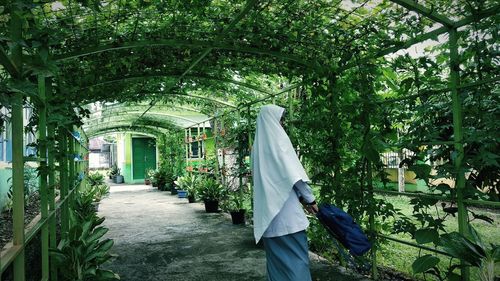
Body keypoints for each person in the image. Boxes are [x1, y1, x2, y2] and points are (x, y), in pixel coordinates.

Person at [252, 104, 318, 281]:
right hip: (289, 219)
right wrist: (310, 200)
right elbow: (294, 175)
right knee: (297, 264)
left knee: (277, 268)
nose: (282, 124)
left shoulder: (257, 148)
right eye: (280, 120)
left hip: (269, 219)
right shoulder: (279, 142)